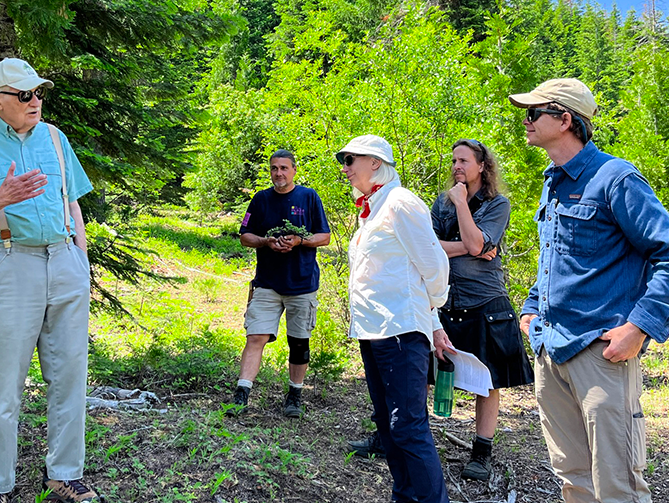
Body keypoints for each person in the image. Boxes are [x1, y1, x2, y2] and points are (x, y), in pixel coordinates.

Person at [509, 78, 669, 503]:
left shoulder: (616, 178)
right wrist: (531, 309)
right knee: (573, 477)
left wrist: (639, 328)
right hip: (551, 350)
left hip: (601, 352)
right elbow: (555, 258)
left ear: (565, 119)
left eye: (534, 113)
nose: (526, 121)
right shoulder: (552, 182)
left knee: (617, 483)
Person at [0, 58, 99, 503]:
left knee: (69, 377)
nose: (35, 101)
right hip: (9, 265)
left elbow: (73, 202)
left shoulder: (55, 137)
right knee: (4, 385)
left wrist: (81, 260)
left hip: (65, 262)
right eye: (25, 95)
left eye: (39, 92)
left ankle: (64, 475)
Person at [341, 134, 452, 503]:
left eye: (349, 159)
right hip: (375, 331)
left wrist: (428, 315)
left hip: (401, 331)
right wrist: (433, 323)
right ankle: (403, 497)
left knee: (408, 426)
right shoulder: (373, 207)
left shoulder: (401, 203)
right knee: (389, 428)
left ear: (375, 162)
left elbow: (434, 266)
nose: (344, 167)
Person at [429, 139, 534, 481]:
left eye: (464, 161)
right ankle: (396, 436)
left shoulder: (496, 204)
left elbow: (477, 243)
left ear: (482, 166)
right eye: (454, 160)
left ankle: (481, 453)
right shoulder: (440, 205)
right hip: (445, 301)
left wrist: (462, 205)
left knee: (488, 382)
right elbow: (429, 249)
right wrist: (469, 247)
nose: (456, 166)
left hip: (486, 303)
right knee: (421, 371)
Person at [227, 149, 330, 418]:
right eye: (274, 168)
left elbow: (325, 236)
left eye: (284, 168)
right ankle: (242, 393)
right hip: (267, 283)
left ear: (294, 170)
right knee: (256, 336)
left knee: (298, 342)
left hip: (302, 282)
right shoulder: (260, 200)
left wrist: (300, 240)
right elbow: (245, 235)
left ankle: (295, 395)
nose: (279, 173)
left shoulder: (308, 197)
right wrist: (265, 241)